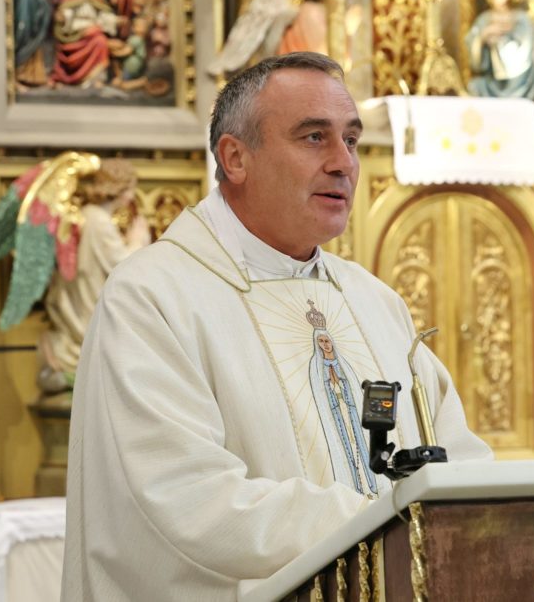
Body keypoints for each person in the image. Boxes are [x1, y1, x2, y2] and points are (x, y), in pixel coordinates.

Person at [61, 52, 492, 601]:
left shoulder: (374, 301)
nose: (343, 163)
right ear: (235, 158)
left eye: (351, 140)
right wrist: (389, 519)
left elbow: (457, 461)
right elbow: (188, 497)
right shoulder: (151, 298)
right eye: (314, 137)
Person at [37, 159, 150, 395]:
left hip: (85, 291)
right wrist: (137, 241)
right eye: (131, 188)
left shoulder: (89, 216)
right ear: (119, 187)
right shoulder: (98, 220)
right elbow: (122, 265)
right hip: (88, 295)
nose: (132, 196)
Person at [465, 0, 534, 99]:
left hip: (517, 79)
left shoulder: (521, 19)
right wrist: (482, 38)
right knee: (474, 86)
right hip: (491, 78)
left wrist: (498, 42)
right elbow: (472, 45)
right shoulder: (484, 19)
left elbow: (523, 51)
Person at [51, 0, 122, 88]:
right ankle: (72, 77)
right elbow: (67, 12)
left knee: (100, 40)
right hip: (74, 30)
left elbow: (103, 15)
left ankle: (96, 78)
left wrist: (116, 20)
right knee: (97, 34)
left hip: (93, 29)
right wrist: (63, 17)